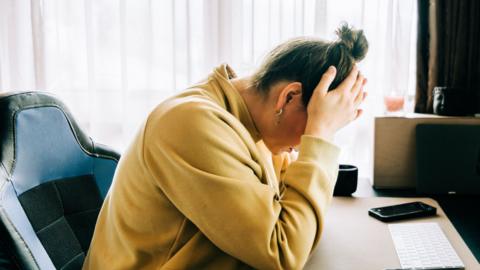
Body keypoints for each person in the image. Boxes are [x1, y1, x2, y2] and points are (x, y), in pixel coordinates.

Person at [83, 23, 368, 270]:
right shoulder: (192, 124)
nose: (300, 146)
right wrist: (320, 136)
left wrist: (318, 131)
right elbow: (283, 252)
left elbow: (286, 206)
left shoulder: (250, 125)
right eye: (314, 122)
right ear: (289, 97)